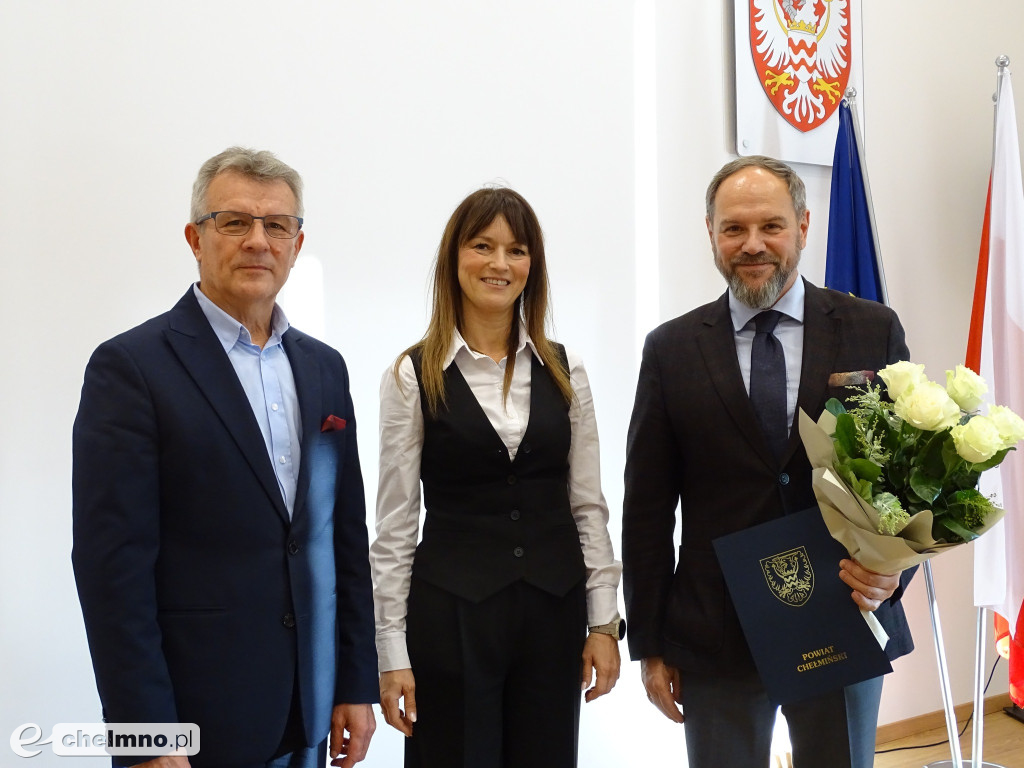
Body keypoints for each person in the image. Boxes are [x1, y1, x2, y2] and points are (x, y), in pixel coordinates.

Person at [72, 147, 377, 768]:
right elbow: (112, 573)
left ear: (297, 242)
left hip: (309, 710)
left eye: (276, 225)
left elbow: (341, 536)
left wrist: (353, 683)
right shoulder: (131, 368)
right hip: (194, 721)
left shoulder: (324, 367)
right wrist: (147, 739)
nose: (257, 241)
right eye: (234, 222)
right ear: (195, 237)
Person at [622, 155, 916, 768]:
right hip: (713, 631)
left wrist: (893, 576)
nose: (752, 244)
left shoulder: (871, 329)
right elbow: (646, 508)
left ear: (803, 227)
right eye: (733, 229)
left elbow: (908, 479)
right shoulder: (671, 349)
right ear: (710, 234)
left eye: (771, 226)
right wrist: (651, 641)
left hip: (843, 610)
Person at [371, 187, 622, 767]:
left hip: (553, 618)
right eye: (482, 246)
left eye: (516, 249)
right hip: (451, 620)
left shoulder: (567, 370)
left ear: (532, 265)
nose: (499, 264)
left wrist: (603, 621)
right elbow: (395, 525)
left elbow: (588, 506)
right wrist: (391, 651)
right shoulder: (412, 376)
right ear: (454, 259)